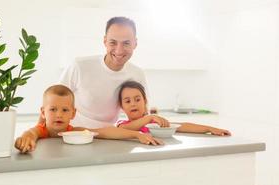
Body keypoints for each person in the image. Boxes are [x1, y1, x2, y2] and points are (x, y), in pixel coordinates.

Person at [15, 85, 163, 153]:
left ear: (73, 114)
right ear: (43, 112)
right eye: (53, 109)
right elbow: (31, 133)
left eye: (65, 110)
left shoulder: (73, 131)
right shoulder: (41, 131)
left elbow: (105, 132)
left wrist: (137, 135)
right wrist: (25, 138)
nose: (59, 115)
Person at [58, 16, 147, 129]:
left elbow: (143, 113)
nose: (119, 50)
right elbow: (53, 101)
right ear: (105, 41)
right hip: (74, 134)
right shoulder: (80, 65)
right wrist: (38, 131)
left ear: (135, 43)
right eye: (113, 42)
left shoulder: (137, 74)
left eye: (126, 43)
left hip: (110, 136)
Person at [117, 81, 232, 136]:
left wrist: (209, 128)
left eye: (137, 99)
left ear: (145, 101)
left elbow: (182, 126)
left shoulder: (153, 123)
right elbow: (125, 128)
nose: (133, 104)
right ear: (122, 106)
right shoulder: (122, 124)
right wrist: (149, 117)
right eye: (127, 101)